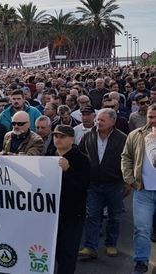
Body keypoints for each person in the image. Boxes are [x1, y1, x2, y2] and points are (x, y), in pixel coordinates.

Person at [77, 108, 128, 260]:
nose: (99, 123)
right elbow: (81, 156)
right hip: (93, 184)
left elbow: (127, 160)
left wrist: (127, 182)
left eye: (102, 120)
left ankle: (111, 244)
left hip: (114, 184)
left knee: (114, 217)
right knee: (92, 215)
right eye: (98, 119)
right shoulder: (88, 136)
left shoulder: (122, 138)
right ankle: (90, 247)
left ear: (113, 122)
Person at [121, 104, 156, 274]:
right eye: (150, 117)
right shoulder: (136, 135)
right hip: (143, 191)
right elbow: (126, 157)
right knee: (142, 228)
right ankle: (141, 261)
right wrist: (129, 179)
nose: (153, 120)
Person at [52, 125, 90, 274]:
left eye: (62, 136)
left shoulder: (82, 159)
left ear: (72, 139)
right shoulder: (49, 154)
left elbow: (82, 186)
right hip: (51, 213)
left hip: (72, 215)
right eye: (56, 136)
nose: (58, 139)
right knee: (48, 252)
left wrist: (68, 170)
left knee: (67, 254)